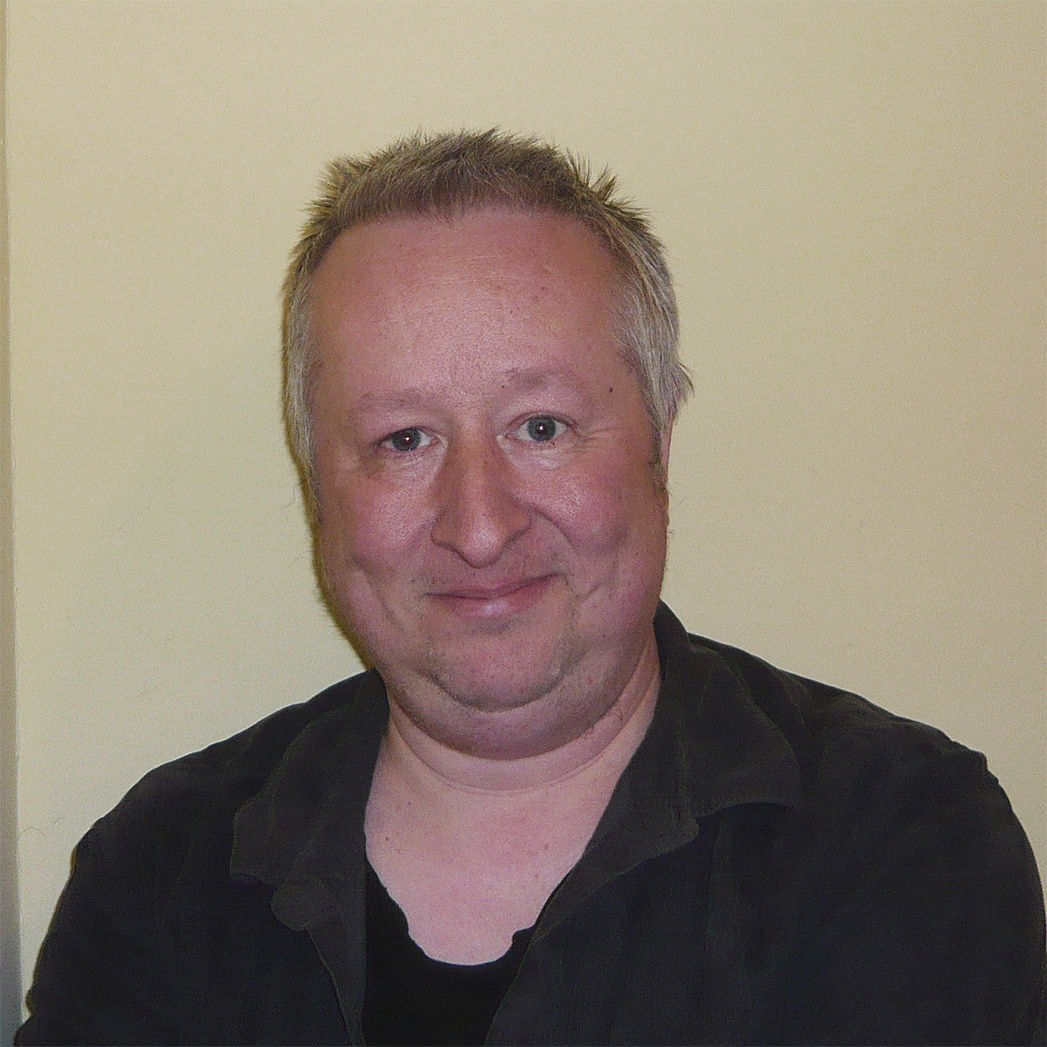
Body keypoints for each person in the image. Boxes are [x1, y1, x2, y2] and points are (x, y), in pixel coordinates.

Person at [17, 129, 1045, 1046]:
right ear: (316, 485)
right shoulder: (160, 874)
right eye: (403, 439)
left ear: (657, 444)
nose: (479, 525)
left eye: (541, 426)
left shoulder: (900, 842)